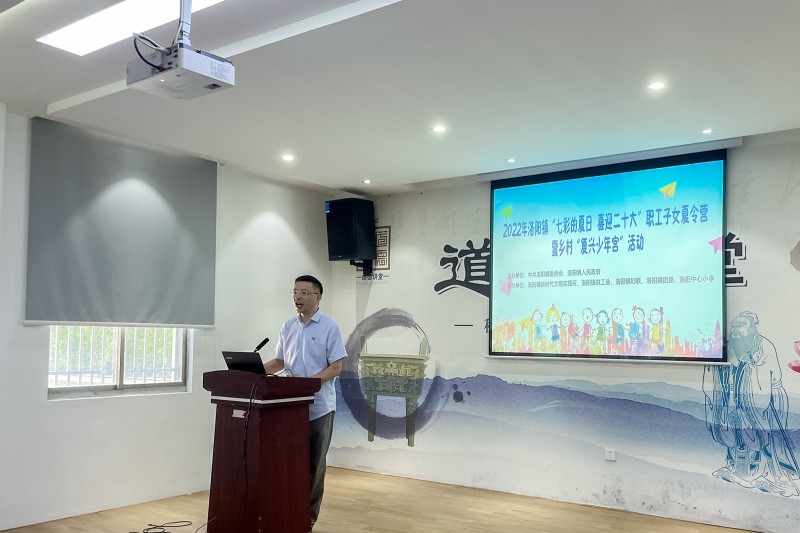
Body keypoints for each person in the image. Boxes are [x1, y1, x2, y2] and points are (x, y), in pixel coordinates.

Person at [263, 275, 348, 530]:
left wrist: (306, 384)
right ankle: (286, 511)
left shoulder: (330, 327)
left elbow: (335, 367)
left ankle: (307, 517)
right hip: (288, 407)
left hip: (318, 407)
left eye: (303, 292)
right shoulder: (288, 326)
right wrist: (251, 370)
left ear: (318, 297)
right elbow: (280, 362)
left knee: (314, 465)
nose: (297, 297)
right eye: (294, 292)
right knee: (288, 462)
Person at [703, 311, 799, 496]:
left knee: (766, 437)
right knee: (735, 432)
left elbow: (770, 376)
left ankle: (772, 475)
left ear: (752, 329)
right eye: (734, 326)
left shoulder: (764, 346)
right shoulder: (729, 346)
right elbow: (715, 369)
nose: (735, 329)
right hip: (733, 399)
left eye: (741, 326)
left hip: (763, 400)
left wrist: (750, 364)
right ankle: (736, 469)